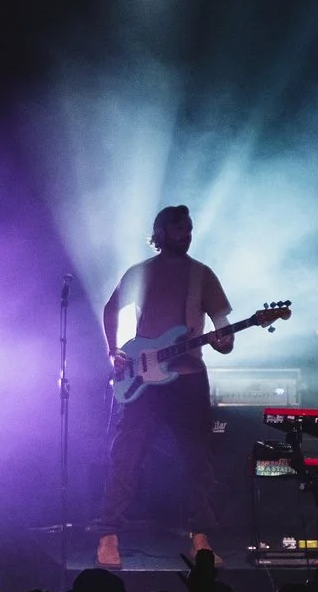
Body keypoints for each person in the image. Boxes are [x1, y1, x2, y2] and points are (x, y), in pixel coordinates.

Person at [90, 204, 236, 570]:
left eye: (188, 229)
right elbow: (111, 310)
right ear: (160, 233)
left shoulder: (202, 275)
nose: (186, 235)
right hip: (142, 380)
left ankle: (200, 538)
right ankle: (108, 535)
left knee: (197, 460)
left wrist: (223, 341)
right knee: (126, 456)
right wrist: (113, 353)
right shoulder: (142, 273)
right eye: (178, 229)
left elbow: (224, 329)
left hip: (188, 379)